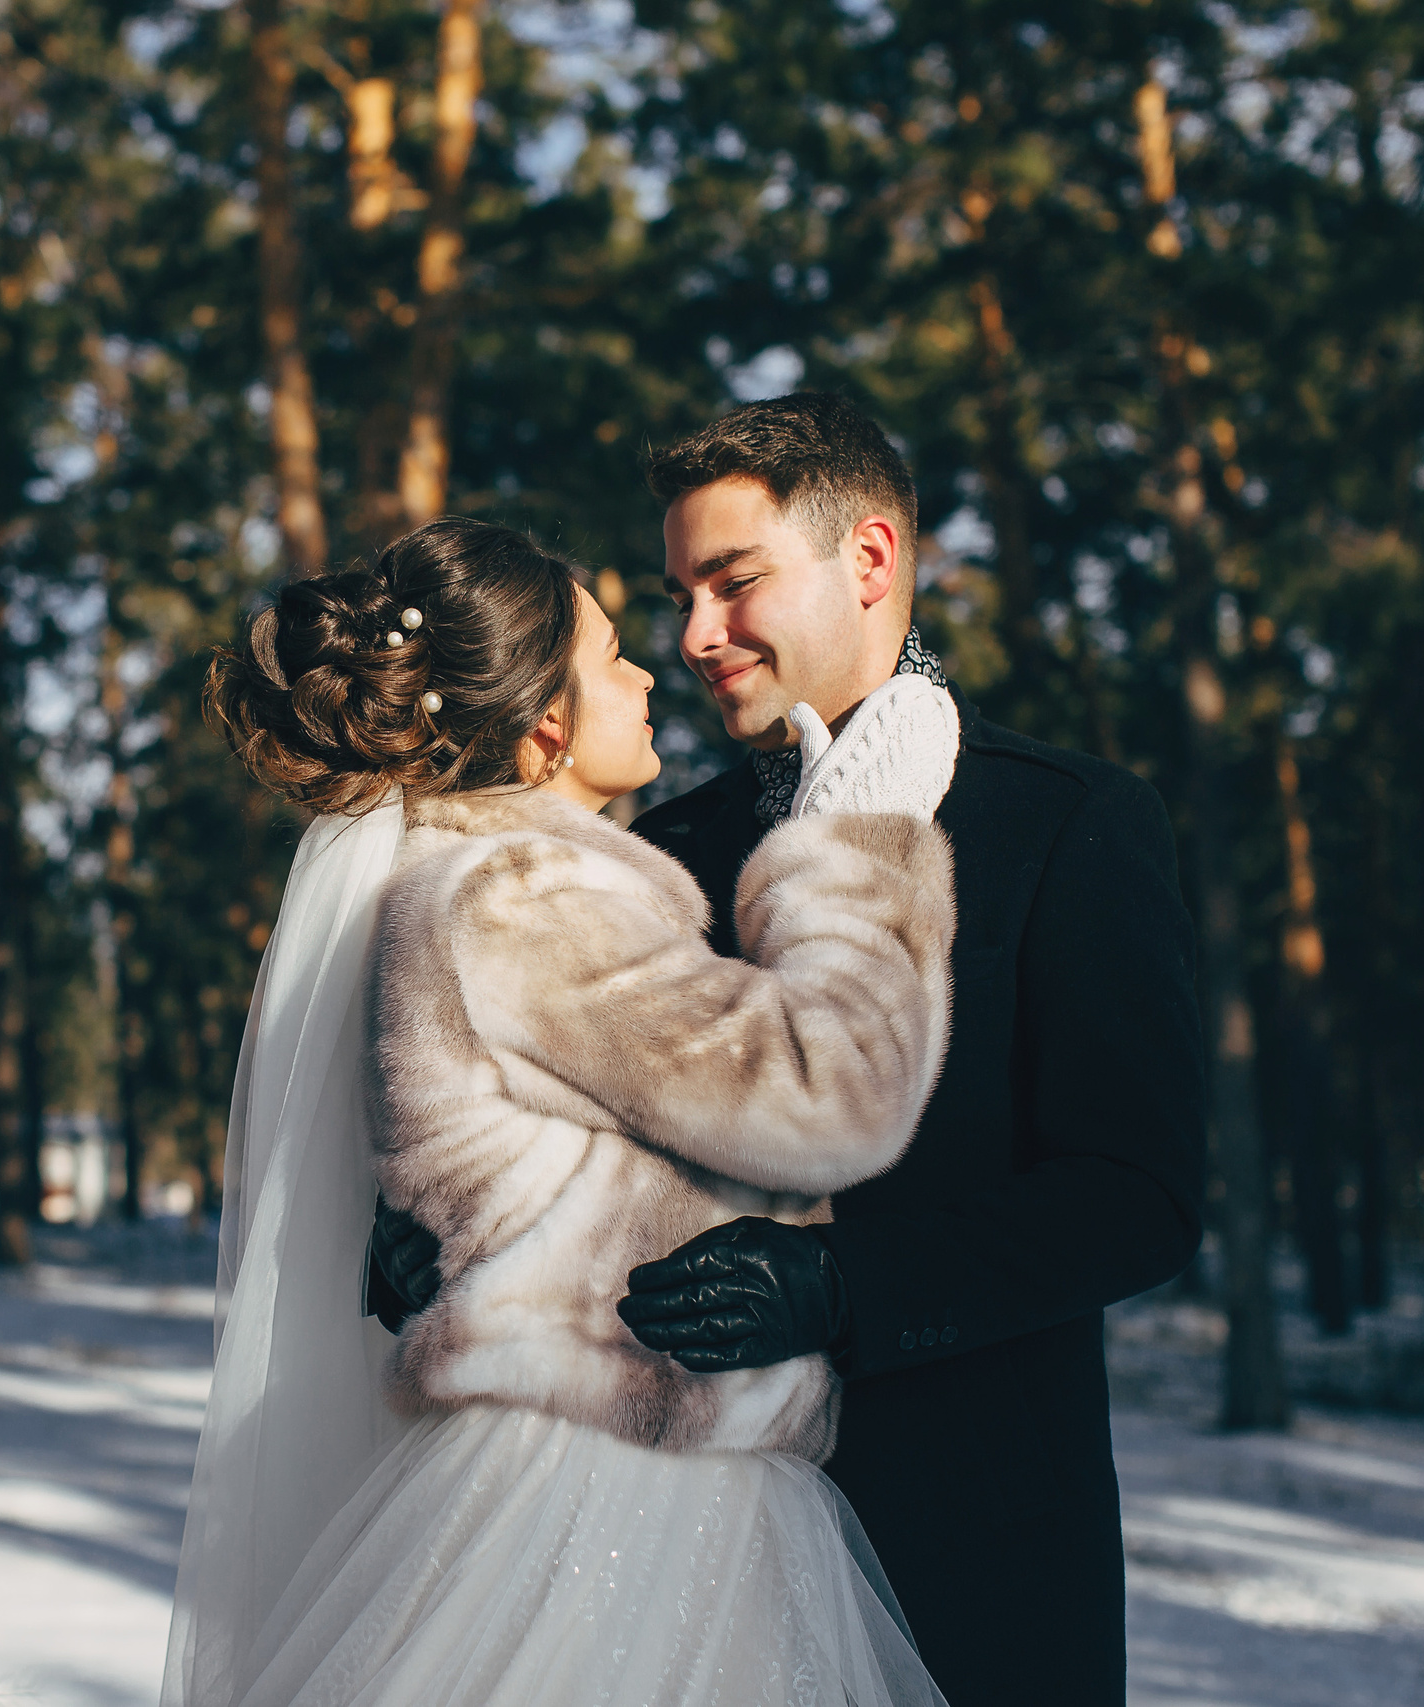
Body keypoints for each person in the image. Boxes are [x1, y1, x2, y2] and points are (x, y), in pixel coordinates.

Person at [372, 394, 1208, 1707]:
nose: (697, 634)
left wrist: (845, 1287)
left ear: (869, 559)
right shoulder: (670, 848)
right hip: (667, 1551)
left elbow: (1138, 1195)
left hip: (974, 1550)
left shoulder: (1066, 823)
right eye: (679, 592)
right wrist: (441, 1221)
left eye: (733, 581)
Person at [164, 515, 962, 1707]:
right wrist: (856, 844)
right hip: (613, 1499)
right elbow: (825, 1092)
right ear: (545, 728)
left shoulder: (461, 882)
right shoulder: (530, 889)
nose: (649, 671)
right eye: (607, 659)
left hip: (586, 1471)